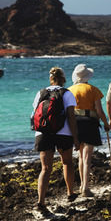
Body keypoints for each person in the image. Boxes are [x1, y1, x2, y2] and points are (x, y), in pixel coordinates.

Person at [32, 67, 80, 211]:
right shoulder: (67, 93)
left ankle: (41, 202)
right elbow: (71, 117)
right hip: (63, 133)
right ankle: (70, 193)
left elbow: (36, 113)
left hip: (43, 132)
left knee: (45, 168)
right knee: (67, 163)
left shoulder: (40, 93)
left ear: (50, 79)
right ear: (63, 79)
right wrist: (76, 138)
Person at [68, 64, 109, 198]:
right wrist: (106, 123)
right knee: (87, 157)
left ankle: (81, 186)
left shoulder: (69, 90)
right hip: (90, 122)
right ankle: (85, 187)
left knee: (80, 156)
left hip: (75, 123)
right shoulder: (93, 89)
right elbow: (99, 111)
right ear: (87, 77)